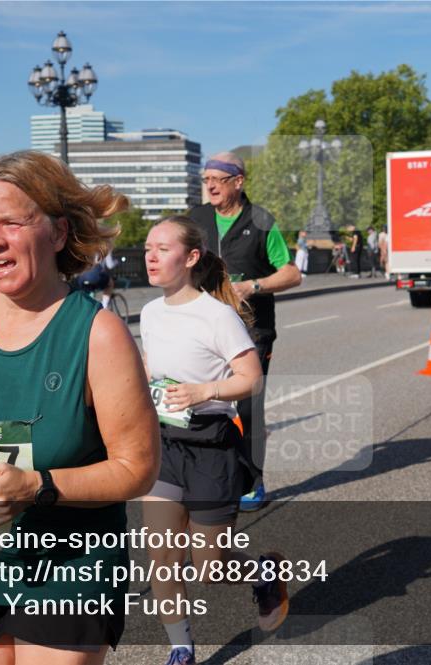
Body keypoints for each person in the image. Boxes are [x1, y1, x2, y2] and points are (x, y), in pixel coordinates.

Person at [0, 151, 160, 663]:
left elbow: (139, 469)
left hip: (69, 567)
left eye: (12, 223)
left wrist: (39, 487)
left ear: (58, 234)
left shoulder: (98, 334)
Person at [140, 216, 288, 665]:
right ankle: (181, 649)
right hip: (164, 445)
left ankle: (262, 572)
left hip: (211, 446)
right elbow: (150, 369)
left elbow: (251, 379)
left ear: (190, 258)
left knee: (210, 566)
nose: (150, 255)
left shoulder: (217, 315)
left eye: (163, 249)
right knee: (161, 557)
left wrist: (205, 391)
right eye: (148, 247)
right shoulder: (149, 313)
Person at [188, 152, 301, 512]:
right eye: (206, 179)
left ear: (238, 182)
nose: (210, 186)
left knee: (247, 407)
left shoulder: (261, 220)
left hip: (253, 330)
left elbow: (291, 273)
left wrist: (252, 286)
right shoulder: (197, 218)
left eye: (217, 179)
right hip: (204, 328)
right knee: (203, 402)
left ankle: (252, 481)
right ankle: (207, 476)